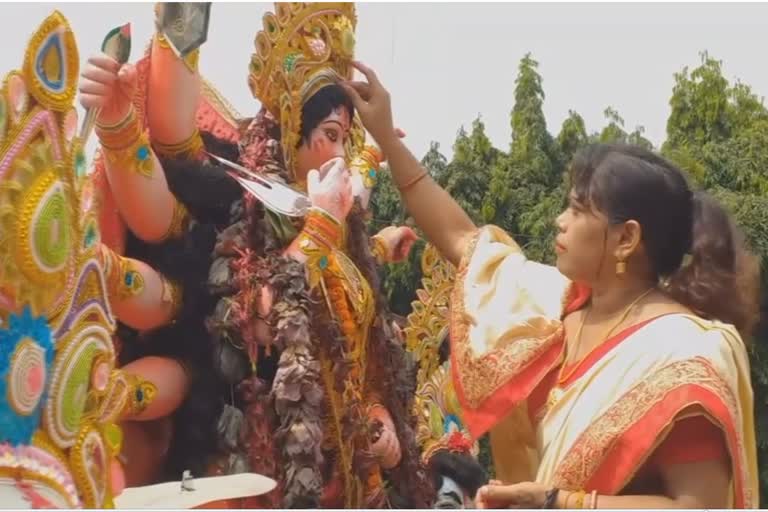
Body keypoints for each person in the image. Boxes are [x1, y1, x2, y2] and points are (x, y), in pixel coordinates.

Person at [341, 61, 760, 508]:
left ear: (626, 238)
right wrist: (385, 137)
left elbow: (700, 506)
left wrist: (562, 501)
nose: (559, 222)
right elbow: (462, 239)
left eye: (579, 211)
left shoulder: (683, 352)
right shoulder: (554, 306)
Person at [78, 3, 429, 508]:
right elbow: (254, 324)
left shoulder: (342, 238)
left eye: (345, 142)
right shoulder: (244, 207)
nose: (338, 156)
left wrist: (379, 419)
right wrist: (323, 227)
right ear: (291, 131)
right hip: (256, 475)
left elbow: (361, 359)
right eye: (330, 136)